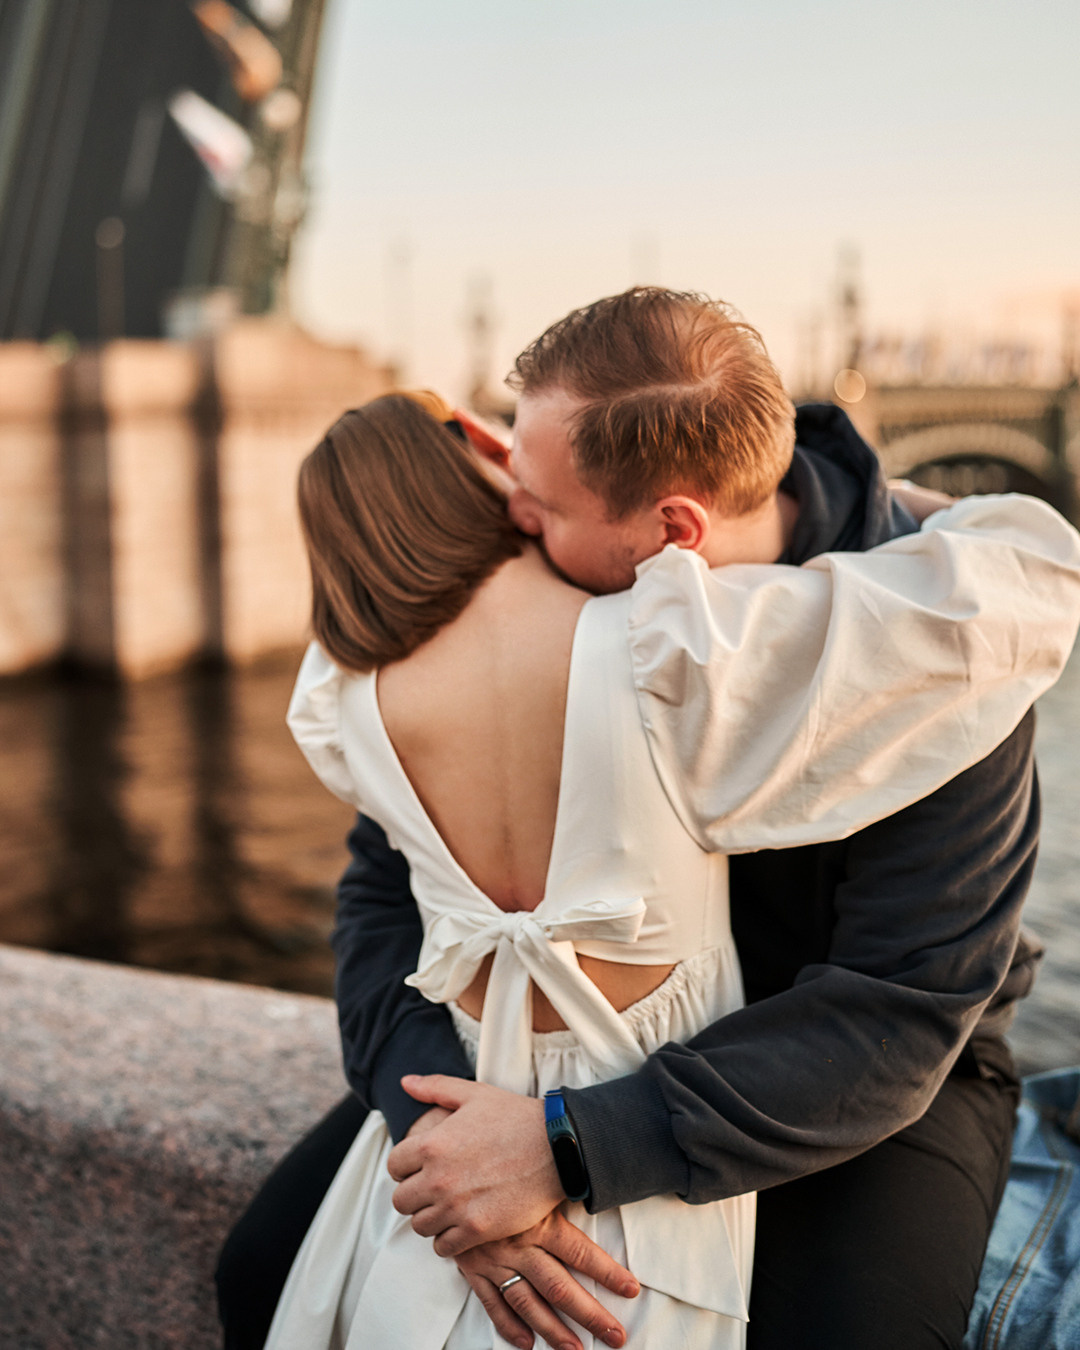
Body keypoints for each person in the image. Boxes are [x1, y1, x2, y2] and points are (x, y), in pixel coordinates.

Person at [216, 290, 1080, 1350]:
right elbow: (387, 881)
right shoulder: (569, 561)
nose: (509, 516)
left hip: (858, 1084)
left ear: (673, 529)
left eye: (534, 497)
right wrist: (439, 1119)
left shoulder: (930, 641)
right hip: (573, 1048)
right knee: (261, 1266)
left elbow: (904, 1009)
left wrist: (567, 1148)